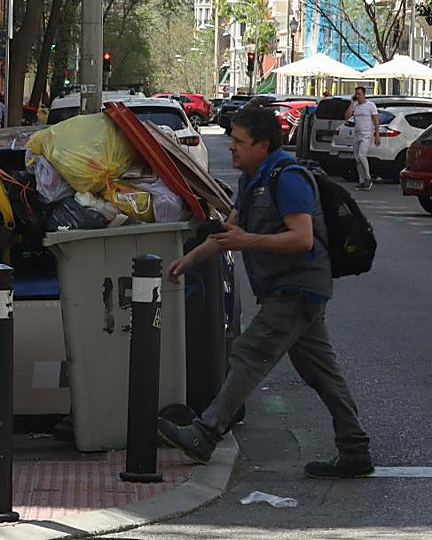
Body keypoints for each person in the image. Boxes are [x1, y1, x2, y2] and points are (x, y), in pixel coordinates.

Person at [156, 105, 373, 479]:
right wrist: (187, 260)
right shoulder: (252, 179)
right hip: (291, 289)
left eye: (240, 141)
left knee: (248, 352)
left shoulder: (287, 178)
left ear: (264, 144)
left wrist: (248, 241)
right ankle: (355, 449)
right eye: (232, 140)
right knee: (321, 371)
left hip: (298, 287)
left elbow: (302, 238)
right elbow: (229, 233)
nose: (232, 147)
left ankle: (205, 435)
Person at [344, 87, 380, 190]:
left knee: (361, 155)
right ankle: (362, 180)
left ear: (364, 94)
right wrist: (351, 103)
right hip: (357, 134)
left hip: (367, 134)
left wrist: (377, 134)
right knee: (357, 158)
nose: (358, 96)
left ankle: (368, 178)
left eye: (359, 94)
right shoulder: (355, 105)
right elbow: (347, 116)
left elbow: (376, 120)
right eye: (356, 94)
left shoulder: (370, 105)